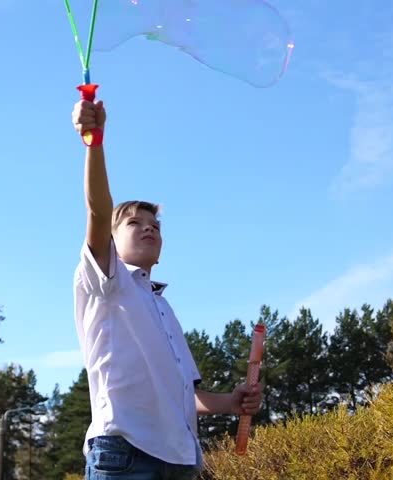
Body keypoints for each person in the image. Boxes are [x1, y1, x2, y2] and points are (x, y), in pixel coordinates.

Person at [71, 96, 264, 479]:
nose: (149, 227)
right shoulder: (107, 280)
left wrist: (230, 401)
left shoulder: (162, 306)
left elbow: (185, 396)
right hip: (124, 455)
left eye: (155, 225)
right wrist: (95, 142)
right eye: (134, 223)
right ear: (110, 239)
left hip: (179, 461)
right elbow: (97, 209)